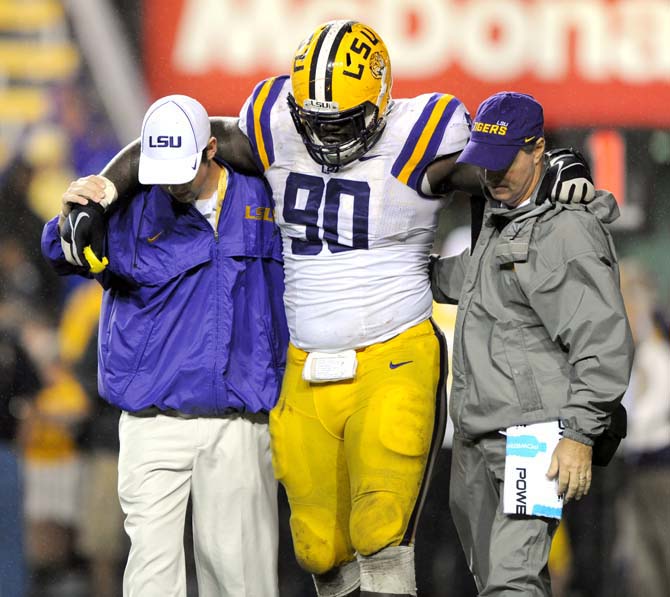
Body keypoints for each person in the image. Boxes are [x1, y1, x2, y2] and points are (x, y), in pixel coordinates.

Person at [67, 21, 593, 597]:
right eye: (310, 118)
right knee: (318, 547)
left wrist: (549, 171)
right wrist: (105, 190)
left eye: (338, 120)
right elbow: (174, 143)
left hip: (405, 361)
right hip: (309, 364)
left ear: (378, 101)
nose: (321, 133)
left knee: (395, 534)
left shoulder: (425, 134)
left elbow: (493, 179)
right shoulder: (273, 122)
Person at [41, 94, 289, 597]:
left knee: (241, 580)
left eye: (183, 167)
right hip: (152, 420)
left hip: (239, 421)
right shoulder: (131, 203)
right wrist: (73, 213)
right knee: (151, 578)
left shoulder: (266, 197)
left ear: (212, 150)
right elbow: (58, 248)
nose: (172, 181)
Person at [430, 91, 634, 596]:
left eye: (504, 162)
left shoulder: (567, 229)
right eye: (485, 161)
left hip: (534, 437)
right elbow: (467, 283)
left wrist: (580, 435)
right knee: (496, 578)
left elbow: (603, 342)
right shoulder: (498, 221)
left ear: (538, 148)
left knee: (512, 581)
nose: (492, 174)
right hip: (476, 433)